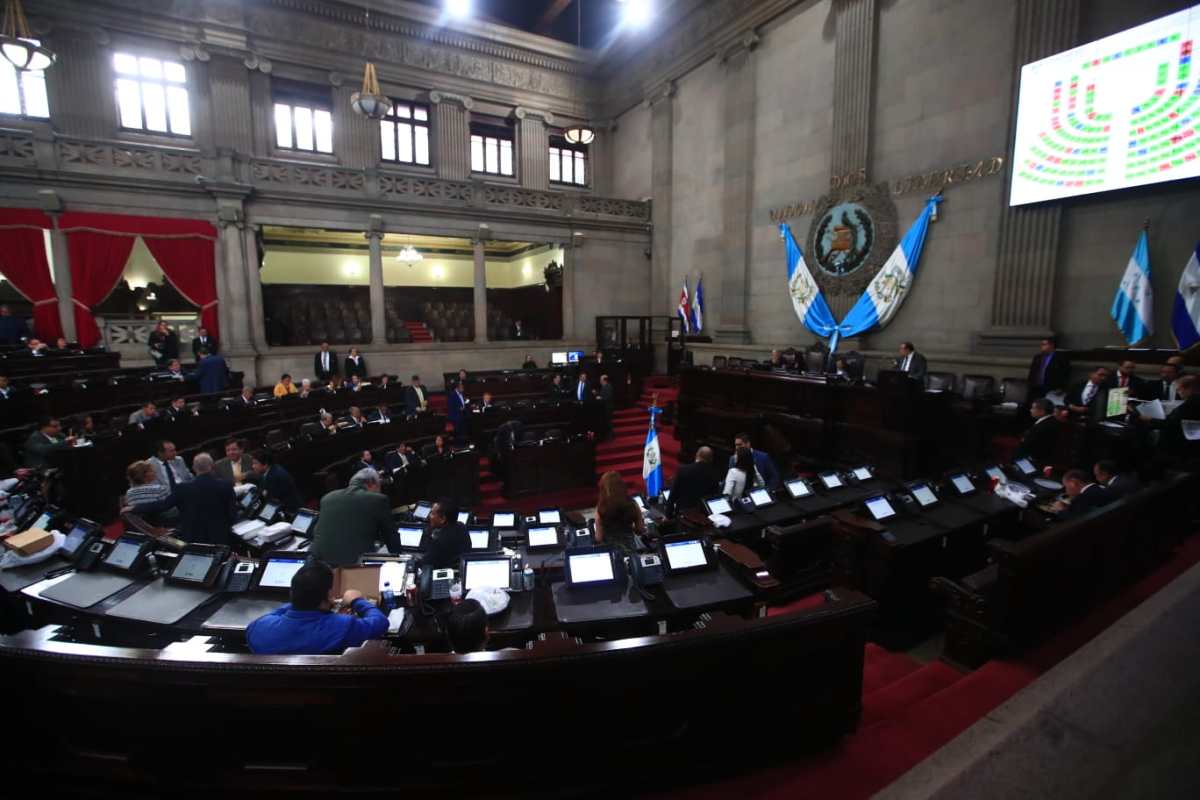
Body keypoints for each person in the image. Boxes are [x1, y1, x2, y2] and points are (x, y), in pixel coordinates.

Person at [246, 561, 389, 656]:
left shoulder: (256, 628)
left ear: (292, 592)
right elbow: (380, 622)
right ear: (327, 596)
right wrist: (357, 600)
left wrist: (307, 599)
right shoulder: (343, 627)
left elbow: (278, 613)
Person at [131, 453, 236, 546]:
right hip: (221, 538)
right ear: (212, 467)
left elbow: (163, 505)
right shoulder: (226, 485)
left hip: (192, 540)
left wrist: (135, 508)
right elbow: (232, 514)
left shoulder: (182, 488)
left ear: (194, 468)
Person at [309, 468, 399, 567]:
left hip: (315, 562)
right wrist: (398, 561)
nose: (380, 491)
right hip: (352, 566)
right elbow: (391, 536)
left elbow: (317, 530)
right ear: (371, 484)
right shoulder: (378, 500)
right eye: (379, 487)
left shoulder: (327, 497)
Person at [594, 471, 645, 550]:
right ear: (621, 486)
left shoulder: (601, 508)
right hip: (631, 549)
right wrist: (629, 529)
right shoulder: (633, 504)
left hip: (611, 551)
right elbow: (640, 530)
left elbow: (599, 538)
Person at [666, 446, 720, 517]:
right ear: (711, 458)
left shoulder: (683, 470)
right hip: (704, 516)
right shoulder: (715, 473)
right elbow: (714, 496)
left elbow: (673, 495)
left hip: (684, 513)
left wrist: (668, 515)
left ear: (697, 455)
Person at [248, 448, 303, 514]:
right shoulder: (268, 472)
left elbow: (272, 501)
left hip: (290, 512)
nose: (253, 466)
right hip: (280, 507)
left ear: (265, 464)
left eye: (255, 463)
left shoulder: (276, 476)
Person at [422, 498, 471, 570]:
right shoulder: (462, 527)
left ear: (443, 519)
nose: (429, 516)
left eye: (432, 513)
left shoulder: (439, 541)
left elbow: (425, 564)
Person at [1015, 398, 1059, 464]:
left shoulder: (1042, 426)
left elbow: (1027, 446)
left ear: (1042, 411)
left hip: (1035, 460)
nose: (1030, 410)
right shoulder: (1053, 421)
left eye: (1033, 408)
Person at [598, 374, 615, 439]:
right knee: (607, 422)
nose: (600, 381)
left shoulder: (608, 387)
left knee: (609, 422)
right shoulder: (604, 386)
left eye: (601, 380)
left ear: (604, 380)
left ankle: (611, 436)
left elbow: (608, 397)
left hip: (608, 408)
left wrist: (600, 398)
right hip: (605, 407)